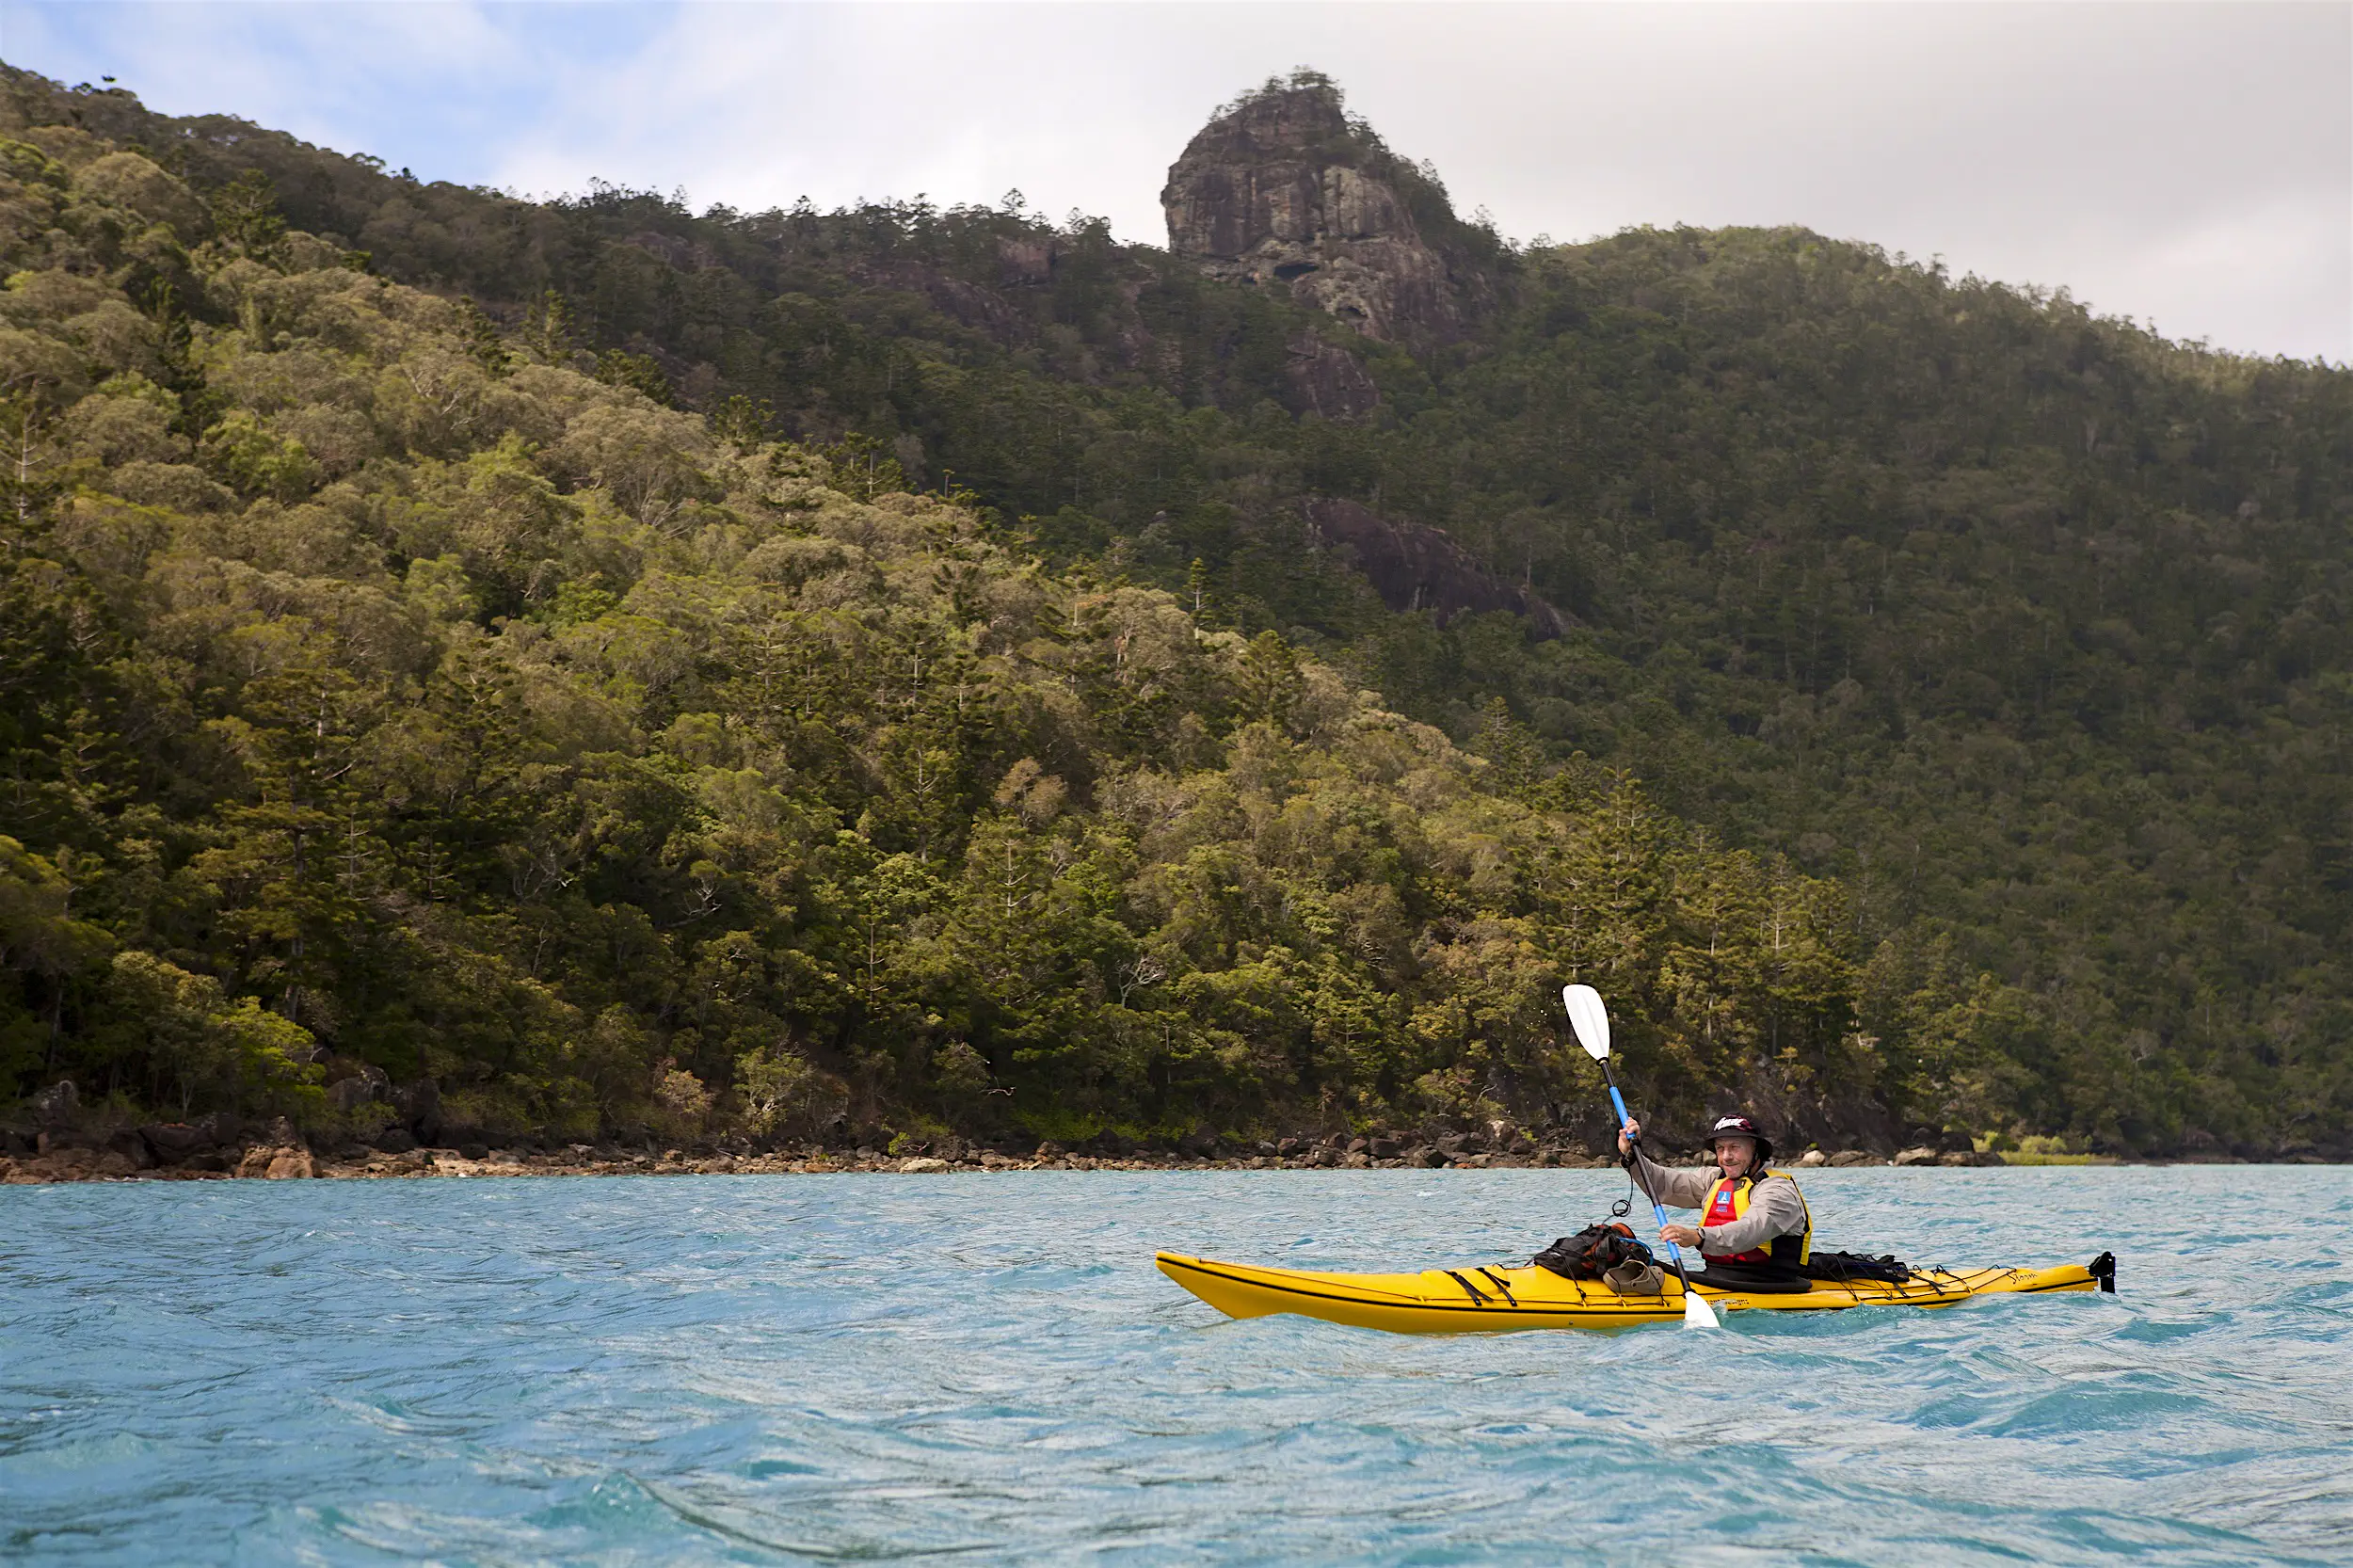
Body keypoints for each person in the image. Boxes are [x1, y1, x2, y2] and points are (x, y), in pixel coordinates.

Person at [1615, 1112, 1814, 1289]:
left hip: (1771, 1284)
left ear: (1755, 1150)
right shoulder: (1714, 1179)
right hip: (1717, 1277)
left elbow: (1750, 1230)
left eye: (1734, 1148)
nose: (1726, 1157)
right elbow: (1664, 1184)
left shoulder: (1778, 1190)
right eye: (1720, 1148)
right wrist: (1632, 1155)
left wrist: (1698, 1237)